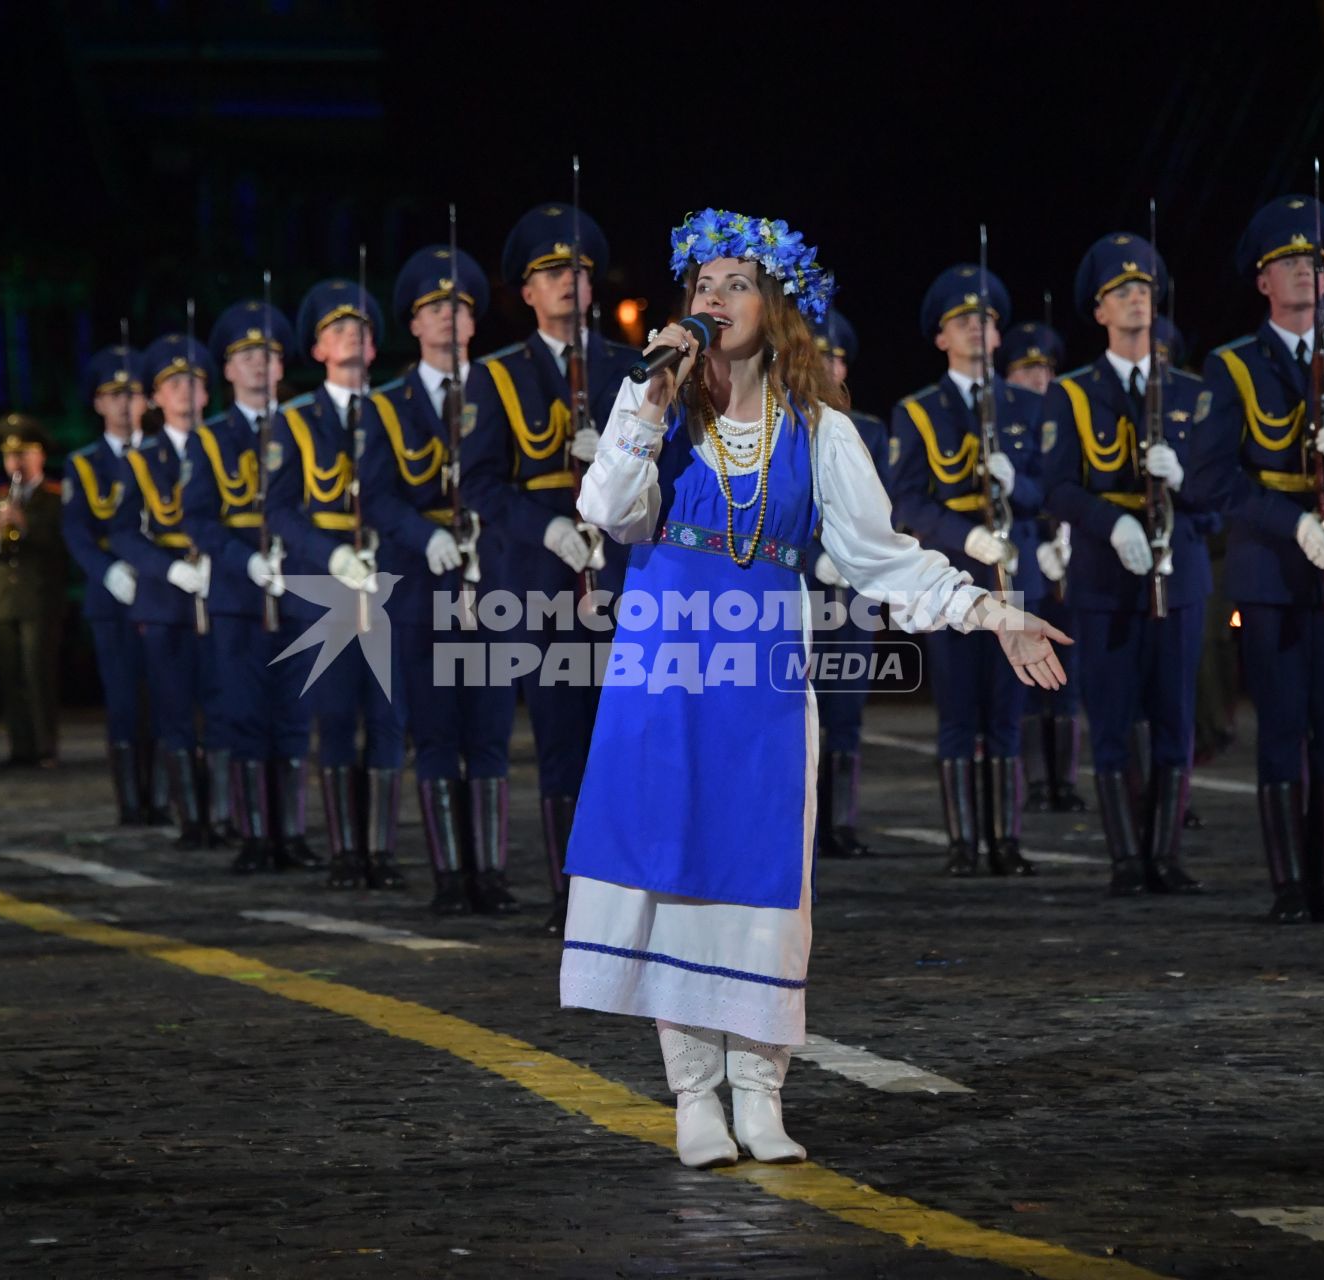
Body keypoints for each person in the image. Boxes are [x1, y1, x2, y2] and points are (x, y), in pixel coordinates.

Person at [562, 209, 1069, 1169]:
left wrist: (992, 613)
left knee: (762, 878)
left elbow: (883, 560)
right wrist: (649, 396)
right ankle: (694, 1099)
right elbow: (607, 512)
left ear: (776, 307)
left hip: (760, 672)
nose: (712, 300)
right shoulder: (660, 414)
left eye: (734, 285)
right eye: (700, 287)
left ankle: (759, 1094)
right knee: (674, 869)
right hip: (666, 667)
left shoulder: (821, 431)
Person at [1187, 195, 1324, 924]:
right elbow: (1215, 478)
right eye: (1288, 263)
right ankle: (1290, 885)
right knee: (1282, 726)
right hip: (1273, 571)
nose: (1304, 273)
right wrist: (1292, 525)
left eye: (1313, 262)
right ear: (1262, 282)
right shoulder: (1233, 367)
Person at [462, 203, 641, 920]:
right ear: (526, 292)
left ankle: (629, 888)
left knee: (627, 740)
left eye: (578, 271)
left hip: (625, 579)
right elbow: (479, 484)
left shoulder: (634, 370)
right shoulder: (497, 376)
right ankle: (575, 893)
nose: (567, 283)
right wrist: (549, 532)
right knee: (563, 744)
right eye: (549, 273)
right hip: (543, 585)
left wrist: (622, 478)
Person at [1039, 233, 1209, 896]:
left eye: (1143, 290)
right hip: (1105, 581)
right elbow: (1057, 487)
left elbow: (1220, 493)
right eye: (1121, 292)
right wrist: (1113, 524)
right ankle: (1125, 861)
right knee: (1111, 718)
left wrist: (1185, 483)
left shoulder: (1192, 393)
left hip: (1181, 574)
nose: (1136, 299)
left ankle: (1164, 855)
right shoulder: (1074, 394)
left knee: (1174, 716)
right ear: (1100, 311)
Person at [360, 245, 522, 915]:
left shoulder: (503, 392)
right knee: (435, 731)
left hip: (490, 579)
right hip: (423, 583)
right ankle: (450, 877)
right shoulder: (387, 407)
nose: (449, 319)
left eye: (459, 307)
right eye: (435, 309)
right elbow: (376, 494)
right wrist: (422, 535)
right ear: (414, 324)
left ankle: (490, 872)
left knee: (488, 730)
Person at [890, 263, 1047, 878]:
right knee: (959, 710)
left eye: (985, 321)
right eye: (963, 322)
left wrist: (1022, 485)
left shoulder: (1028, 406)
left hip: (1013, 572)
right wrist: (966, 536)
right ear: (940, 337)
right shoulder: (921, 411)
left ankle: (1005, 839)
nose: (977, 330)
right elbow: (906, 500)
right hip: (952, 573)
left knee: (1008, 709)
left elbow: (1049, 487)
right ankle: (963, 842)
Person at [266, 279, 407, 891]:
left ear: (374, 351)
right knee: (335, 716)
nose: (352, 336)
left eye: (363, 330)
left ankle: (380, 850)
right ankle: (346, 853)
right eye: (337, 330)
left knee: (388, 718)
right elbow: (279, 510)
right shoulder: (294, 421)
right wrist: (330, 555)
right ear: (318, 350)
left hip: (390, 582)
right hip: (325, 587)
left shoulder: (396, 413)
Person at [188, 298, 319, 874]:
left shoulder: (305, 427)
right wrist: (243, 561)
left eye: (268, 355)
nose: (260, 365)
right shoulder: (210, 438)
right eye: (247, 356)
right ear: (228, 369)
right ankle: (254, 834)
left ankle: (290, 832)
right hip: (240, 596)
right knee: (244, 713)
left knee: (293, 714)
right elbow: (197, 519)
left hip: (298, 583)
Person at [110, 333, 217, 848]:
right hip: (165, 596)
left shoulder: (224, 445)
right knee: (175, 711)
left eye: (194, 382)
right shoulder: (140, 459)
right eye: (172, 383)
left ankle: (224, 814)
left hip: (222, 593)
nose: (184, 391)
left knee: (224, 707)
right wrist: (166, 569)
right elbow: (125, 531)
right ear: (155, 398)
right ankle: (191, 818)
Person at [62, 344, 161, 824]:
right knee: (124, 700)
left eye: (134, 394)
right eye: (113, 394)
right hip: (114, 597)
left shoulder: (164, 455)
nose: (125, 404)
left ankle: (162, 797)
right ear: (98, 403)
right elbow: (77, 532)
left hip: (164, 591)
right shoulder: (84, 465)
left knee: (166, 697)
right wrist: (108, 571)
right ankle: (132, 801)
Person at [805, 308, 890, 859]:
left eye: (835, 358)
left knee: (847, 707)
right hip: (807, 588)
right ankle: (808, 823)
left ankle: (843, 822)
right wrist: (816, 556)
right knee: (802, 705)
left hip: (854, 589)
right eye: (819, 356)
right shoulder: (787, 423)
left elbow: (878, 513)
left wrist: (855, 562)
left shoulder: (872, 431)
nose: (828, 366)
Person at [1000, 319, 1086, 813]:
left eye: (1047, 368)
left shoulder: (1065, 416)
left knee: (1068, 673)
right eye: (1028, 368)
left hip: (1067, 554)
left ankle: (1066, 780)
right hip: (1023, 557)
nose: (1041, 378)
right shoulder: (1007, 422)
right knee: (1030, 674)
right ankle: (1034, 780)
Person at [0, 415, 66, 769]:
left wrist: (25, 525)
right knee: (10, 675)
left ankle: (46, 745)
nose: (16, 462)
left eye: (24, 453)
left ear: (39, 456)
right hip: (3, 598)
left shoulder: (55, 496)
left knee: (38, 672)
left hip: (40, 597)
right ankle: (20, 746)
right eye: (10, 455)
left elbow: (62, 543)